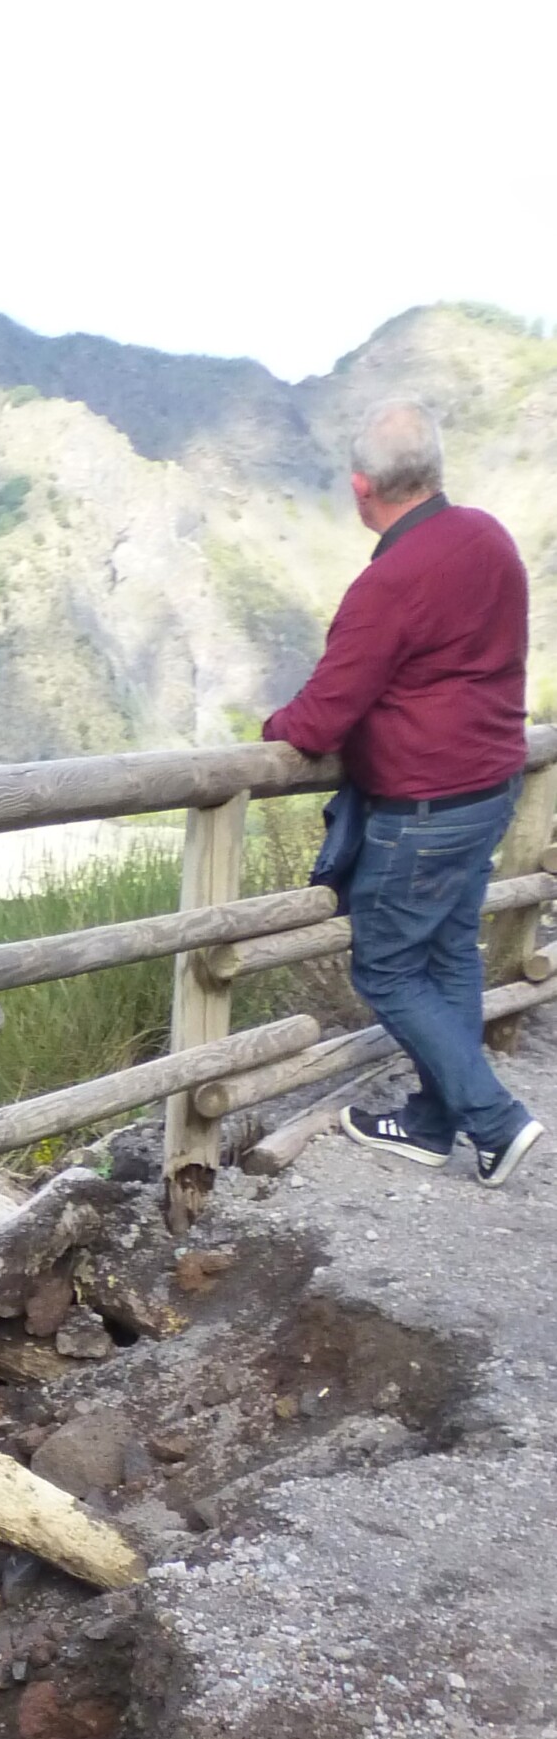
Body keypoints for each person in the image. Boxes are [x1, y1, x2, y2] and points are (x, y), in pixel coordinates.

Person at [263, 398, 541, 1185]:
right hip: (488, 789)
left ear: (362, 488)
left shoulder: (390, 582)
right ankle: (429, 1122)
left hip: (422, 808)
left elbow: (318, 719)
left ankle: (495, 1120)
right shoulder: (488, 538)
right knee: (450, 952)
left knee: (386, 969)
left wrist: (268, 729)